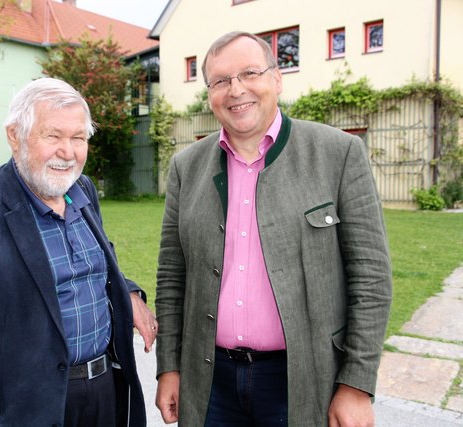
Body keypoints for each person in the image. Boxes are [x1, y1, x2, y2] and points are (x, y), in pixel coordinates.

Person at [154, 31, 392, 427]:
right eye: (220, 81)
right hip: (209, 384)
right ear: (209, 94)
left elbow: (371, 279)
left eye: (250, 73)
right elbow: (171, 278)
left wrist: (356, 384)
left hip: (304, 381)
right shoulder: (186, 167)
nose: (236, 90)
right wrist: (169, 369)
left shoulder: (338, 154)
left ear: (276, 79)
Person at [0, 77, 158, 427]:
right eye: (53, 136)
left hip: (106, 394)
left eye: (78, 138)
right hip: (28, 410)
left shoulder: (81, 190)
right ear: (14, 136)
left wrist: (126, 290)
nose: (68, 152)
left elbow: (92, 260)